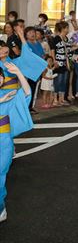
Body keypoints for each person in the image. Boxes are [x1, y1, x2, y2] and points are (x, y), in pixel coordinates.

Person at [0, 63, 33, 223]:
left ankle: (0, 208)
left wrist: (19, 73)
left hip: (4, 141)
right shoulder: (3, 97)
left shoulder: (9, 94)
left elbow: (27, 94)